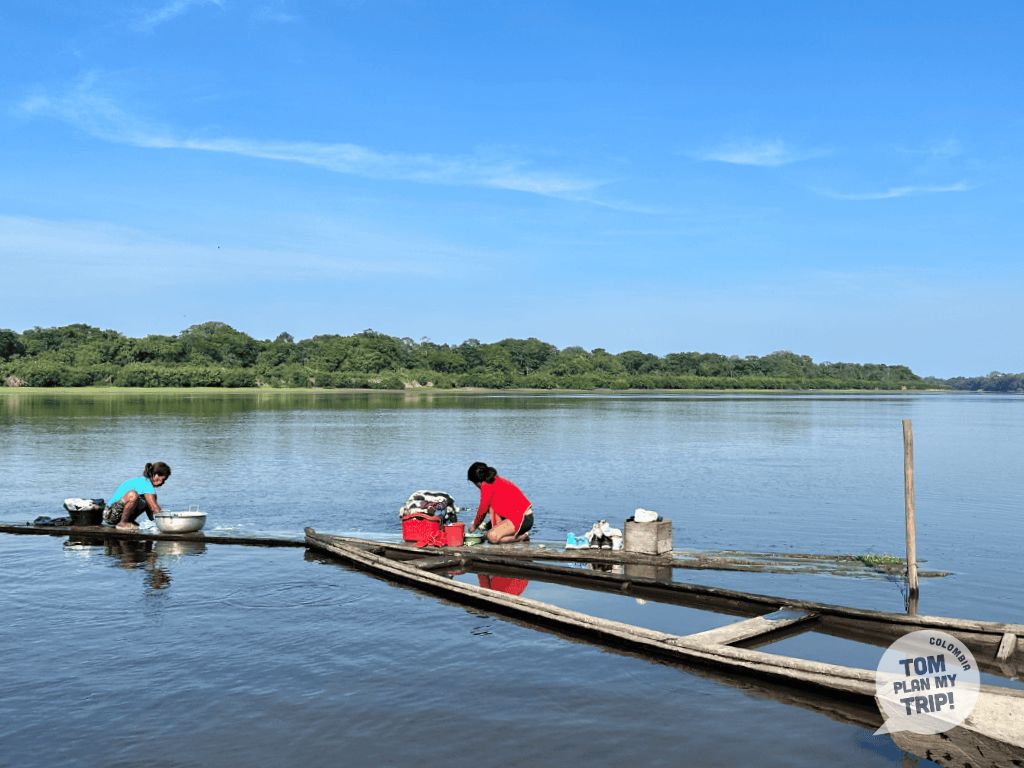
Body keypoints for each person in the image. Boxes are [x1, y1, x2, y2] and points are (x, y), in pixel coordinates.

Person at [467, 461, 533, 544]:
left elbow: (483, 509)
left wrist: (474, 526)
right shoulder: (495, 479)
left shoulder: (486, 485)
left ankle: (522, 537)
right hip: (522, 517)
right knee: (491, 509)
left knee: (491, 537)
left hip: (523, 518)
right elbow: (490, 508)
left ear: (477, 482)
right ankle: (510, 534)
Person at [103, 462, 172, 531]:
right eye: (163, 479)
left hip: (117, 515)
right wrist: (167, 523)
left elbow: (151, 510)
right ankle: (123, 523)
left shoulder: (148, 489)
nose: (163, 483)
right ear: (156, 475)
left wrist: (158, 524)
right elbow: (154, 508)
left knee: (149, 500)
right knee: (133, 495)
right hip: (110, 514)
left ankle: (127, 521)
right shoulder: (145, 483)